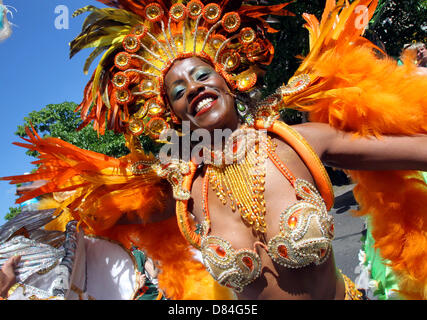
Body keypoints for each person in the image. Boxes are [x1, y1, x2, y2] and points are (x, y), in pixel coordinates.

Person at [1, 0, 427, 300]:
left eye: (202, 74)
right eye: (179, 91)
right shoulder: (182, 191)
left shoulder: (298, 141)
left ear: (228, 77)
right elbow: (80, 222)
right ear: (172, 114)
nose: (195, 88)